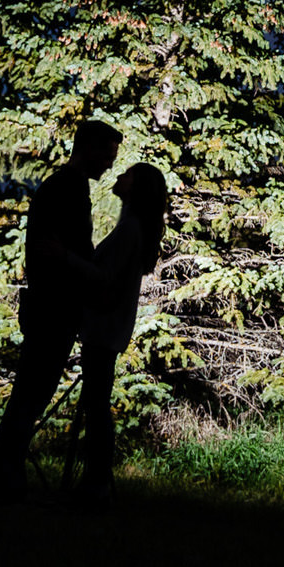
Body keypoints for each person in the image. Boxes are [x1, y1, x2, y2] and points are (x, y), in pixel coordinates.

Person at [0, 118, 123, 500]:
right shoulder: (67, 189)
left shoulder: (65, 186)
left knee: (31, 393)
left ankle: (7, 475)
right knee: (32, 393)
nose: (110, 165)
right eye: (108, 154)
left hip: (51, 307)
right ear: (90, 149)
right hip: (53, 310)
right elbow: (64, 254)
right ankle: (7, 478)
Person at [73, 163, 167, 508]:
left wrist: (66, 258)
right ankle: (94, 482)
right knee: (96, 402)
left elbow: (103, 276)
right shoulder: (134, 227)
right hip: (109, 326)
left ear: (137, 187)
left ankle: (95, 484)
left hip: (103, 325)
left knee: (96, 405)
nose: (118, 177)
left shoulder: (129, 229)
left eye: (126, 174)